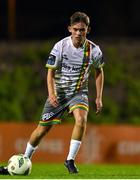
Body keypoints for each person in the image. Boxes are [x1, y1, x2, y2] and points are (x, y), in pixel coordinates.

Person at [0, 11, 105, 175]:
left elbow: (99, 71)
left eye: (82, 30)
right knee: (42, 130)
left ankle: (70, 160)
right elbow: (50, 72)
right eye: (76, 29)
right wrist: (52, 93)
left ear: (88, 30)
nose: (78, 33)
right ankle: (24, 160)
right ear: (69, 29)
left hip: (79, 92)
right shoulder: (60, 46)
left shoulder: (94, 50)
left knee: (81, 118)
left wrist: (98, 97)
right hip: (59, 93)